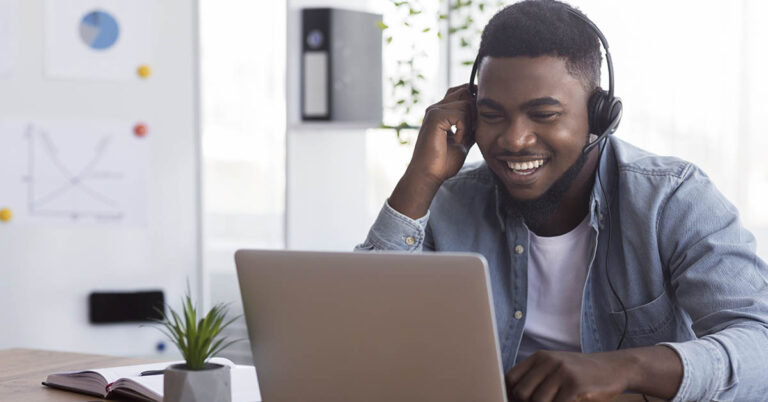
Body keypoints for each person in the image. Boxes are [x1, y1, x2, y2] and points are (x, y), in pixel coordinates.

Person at [355, 0, 768, 400]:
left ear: (600, 116)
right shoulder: (450, 200)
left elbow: (759, 346)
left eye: (544, 114)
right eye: (493, 114)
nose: (514, 139)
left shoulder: (673, 197)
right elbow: (358, 334)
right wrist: (421, 177)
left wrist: (626, 367)